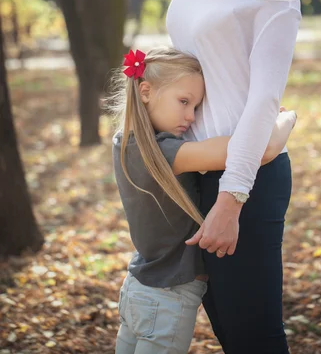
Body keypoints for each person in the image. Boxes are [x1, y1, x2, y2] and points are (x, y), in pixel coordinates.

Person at [166, 0, 302, 354]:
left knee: (255, 336)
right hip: (195, 168)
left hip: (246, 181)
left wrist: (231, 200)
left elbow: (264, 97)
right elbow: (193, 56)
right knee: (226, 327)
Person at [111, 46, 297, 354]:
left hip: (138, 288)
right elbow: (260, 149)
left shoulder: (124, 141)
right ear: (145, 91)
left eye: (196, 107)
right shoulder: (164, 153)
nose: (190, 117)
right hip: (166, 299)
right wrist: (288, 118)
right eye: (184, 102)